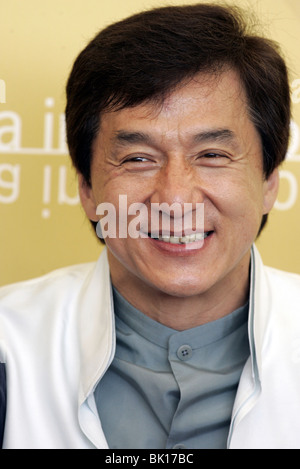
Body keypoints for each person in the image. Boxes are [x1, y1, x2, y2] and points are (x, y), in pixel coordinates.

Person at [0, 3, 299, 449]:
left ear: (269, 181)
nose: (176, 199)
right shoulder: (10, 343)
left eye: (212, 155)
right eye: (138, 159)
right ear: (86, 189)